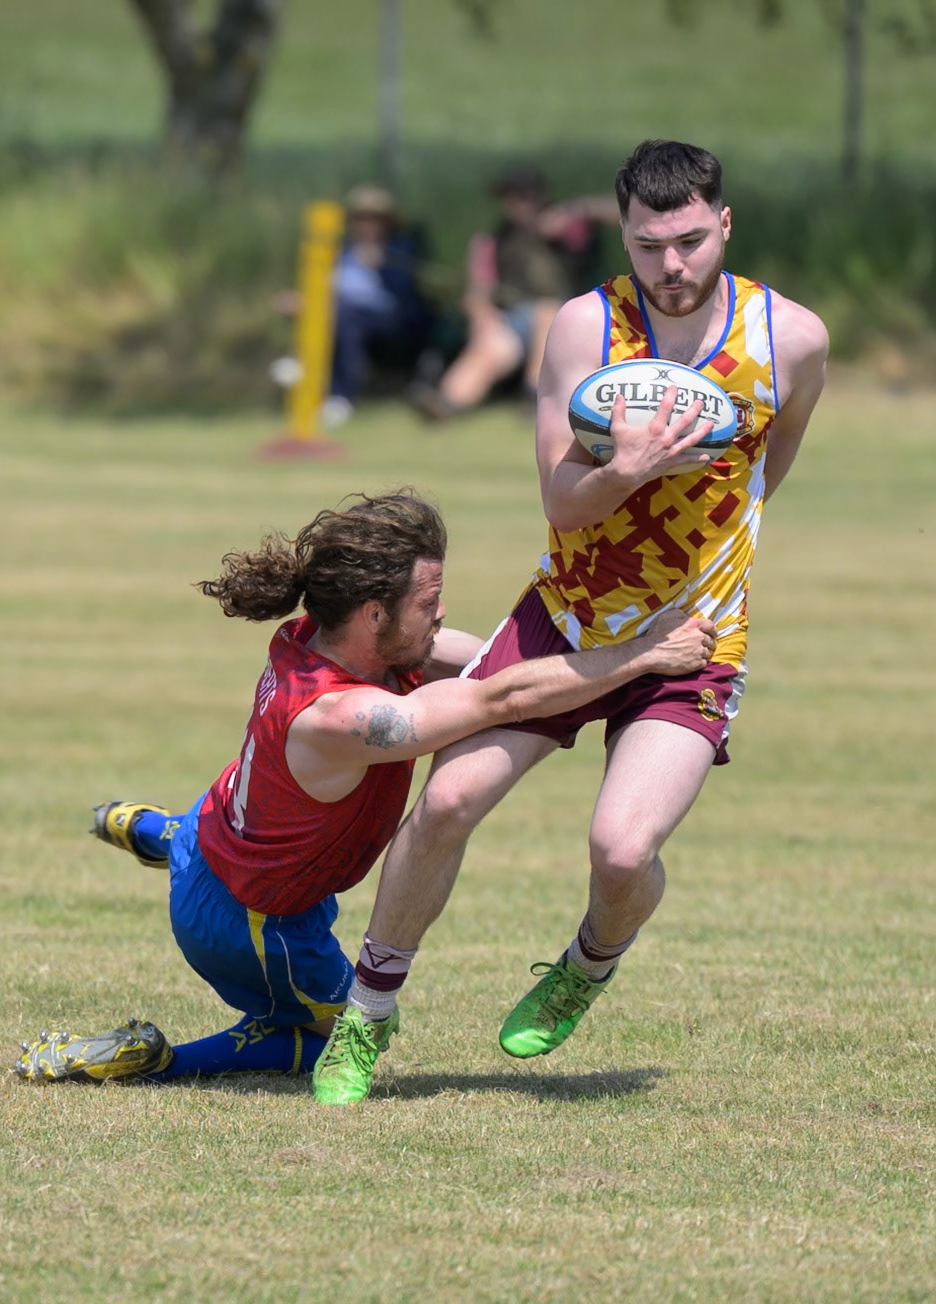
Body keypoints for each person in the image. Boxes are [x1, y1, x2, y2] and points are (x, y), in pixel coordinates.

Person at [314, 139, 830, 1104]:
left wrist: (706, 553)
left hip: (693, 640)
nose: (671, 266)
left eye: (687, 242)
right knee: (448, 804)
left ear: (724, 224)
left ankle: (588, 964)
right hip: (566, 620)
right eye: (648, 245)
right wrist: (628, 472)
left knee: (623, 849)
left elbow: (773, 465)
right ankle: (367, 1015)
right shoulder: (584, 328)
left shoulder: (791, 338)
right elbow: (563, 502)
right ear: (623, 236)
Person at [12, 489, 716, 1098]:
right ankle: (155, 1061)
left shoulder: (316, 637)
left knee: (242, 826)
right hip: (254, 924)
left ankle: (158, 833)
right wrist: (645, 656)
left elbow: (497, 661)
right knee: (327, 1039)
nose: (442, 616)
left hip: (216, 829)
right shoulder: (345, 716)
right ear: (375, 616)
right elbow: (501, 694)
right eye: (430, 603)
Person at [408, 166, 618, 422]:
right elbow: (478, 292)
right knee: (489, 348)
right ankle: (447, 403)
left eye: (526, 196)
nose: (520, 204)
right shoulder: (492, 240)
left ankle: (535, 395)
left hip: (568, 316)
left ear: (539, 195)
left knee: (546, 312)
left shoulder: (569, 228)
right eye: (512, 197)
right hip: (514, 317)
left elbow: (624, 213)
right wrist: (483, 317)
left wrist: (576, 209)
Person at [273, 185, 434, 427]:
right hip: (339, 310)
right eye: (360, 218)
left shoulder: (400, 248)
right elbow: (324, 286)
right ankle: (304, 365)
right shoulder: (342, 249)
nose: (365, 224)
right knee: (322, 310)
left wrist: (383, 265)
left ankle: (341, 395)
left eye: (373, 218)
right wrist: (302, 299)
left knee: (342, 313)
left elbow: (405, 292)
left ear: (387, 222)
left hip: (388, 316)